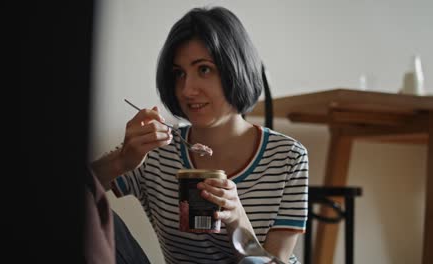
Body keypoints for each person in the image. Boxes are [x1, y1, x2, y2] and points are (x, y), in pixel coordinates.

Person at [90, 6, 308, 264]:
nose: (187, 89)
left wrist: (237, 217)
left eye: (203, 69)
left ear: (235, 68)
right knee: (95, 213)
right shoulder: (157, 151)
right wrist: (123, 160)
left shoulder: (288, 157)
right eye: (178, 73)